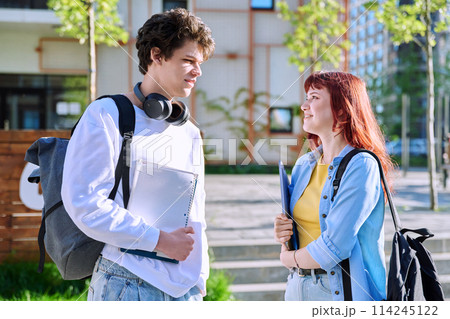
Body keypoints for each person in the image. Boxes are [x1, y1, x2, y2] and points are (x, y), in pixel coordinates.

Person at [61, 8, 215, 301]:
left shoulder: (189, 131)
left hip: (185, 290)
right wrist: (159, 241)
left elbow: (196, 214)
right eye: (188, 60)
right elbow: (86, 204)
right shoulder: (107, 115)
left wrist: (199, 279)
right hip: (128, 282)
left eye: (200, 63)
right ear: (156, 56)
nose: (198, 71)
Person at [274, 71, 394, 301]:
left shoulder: (362, 165)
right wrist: (283, 232)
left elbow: (334, 248)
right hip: (297, 288)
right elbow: (298, 235)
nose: (304, 106)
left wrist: (288, 258)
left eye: (314, 98)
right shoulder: (304, 164)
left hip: (340, 293)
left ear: (341, 109)